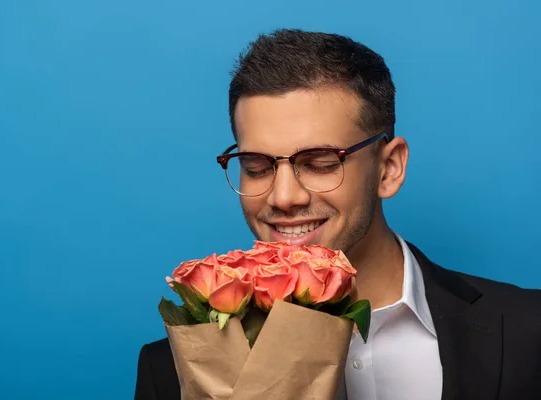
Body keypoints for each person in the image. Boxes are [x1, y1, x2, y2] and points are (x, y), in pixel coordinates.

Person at [134, 29, 541, 400]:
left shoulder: (527, 330)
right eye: (256, 166)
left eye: (321, 162)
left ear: (389, 169)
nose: (284, 196)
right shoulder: (172, 371)